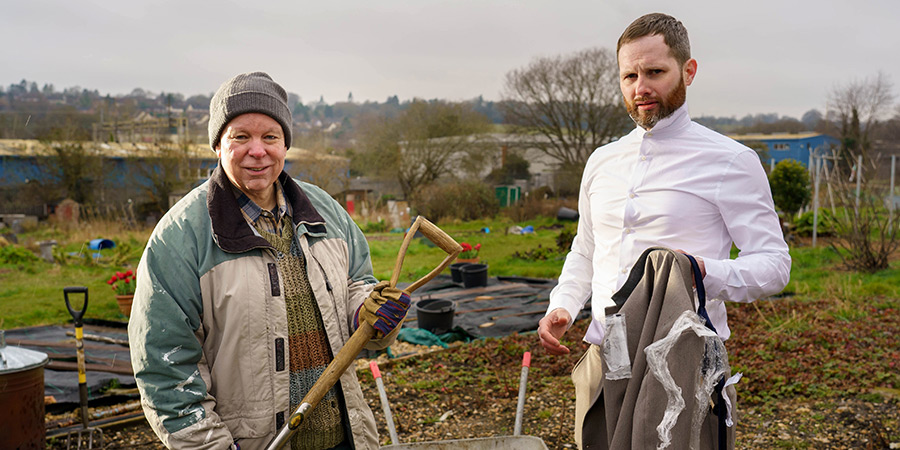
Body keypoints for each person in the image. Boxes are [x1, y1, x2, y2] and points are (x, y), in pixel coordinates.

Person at [537, 13, 791, 447]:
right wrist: (562, 303)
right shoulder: (602, 161)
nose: (641, 88)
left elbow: (774, 266)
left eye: (655, 72)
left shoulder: (730, 161)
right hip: (604, 357)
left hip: (681, 366)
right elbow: (587, 248)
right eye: (629, 75)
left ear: (688, 72)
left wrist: (697, 271)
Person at [129, 72, 409, 450]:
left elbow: (356, 286)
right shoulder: (180, 237)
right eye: (240, 136)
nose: (257, 151)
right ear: (217, 146)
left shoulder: (325, 210)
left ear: (285, 144)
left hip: (344, 440)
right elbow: (166, 370)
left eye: (270, 137)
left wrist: (368, 314)